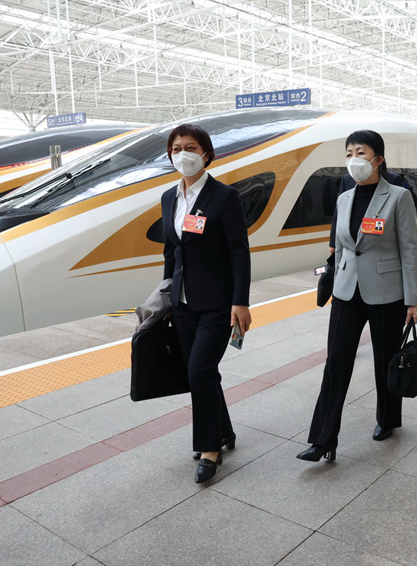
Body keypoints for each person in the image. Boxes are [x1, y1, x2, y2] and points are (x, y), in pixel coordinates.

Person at [298, 130, 417, 463]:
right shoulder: (344, 198)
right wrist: (334, 280)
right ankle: (323, 438)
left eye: (362, 152)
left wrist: (413, 301)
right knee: (335, 363)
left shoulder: (398, 197)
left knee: (385, 360)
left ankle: (388, 418)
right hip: (346, 292)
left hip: (387, 294)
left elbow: (409, 251)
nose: (355, 159)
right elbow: (341, 247)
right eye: (349, 152)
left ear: (378, 159)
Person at [159, 124, 251, 483]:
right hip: (182, 303)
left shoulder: (224, 197)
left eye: (190, 147)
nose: (183, 153)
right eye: (176, 148)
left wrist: (240, 302)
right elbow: (171, 250)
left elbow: (239, 253)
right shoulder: (169, 198)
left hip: (217, 303)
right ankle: (224, 431)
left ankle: (210, 448)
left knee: (199, 372)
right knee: (202, 372)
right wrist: (166, 296)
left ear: (207, 154)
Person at [328, 170, 411, 253]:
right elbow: (339, 213)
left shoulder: (393, 179)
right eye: (349, 156)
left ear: (379, 159)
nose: (354, 159)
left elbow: (407, 239)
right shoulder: (346, 180)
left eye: (360, 155)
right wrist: (333, 243)